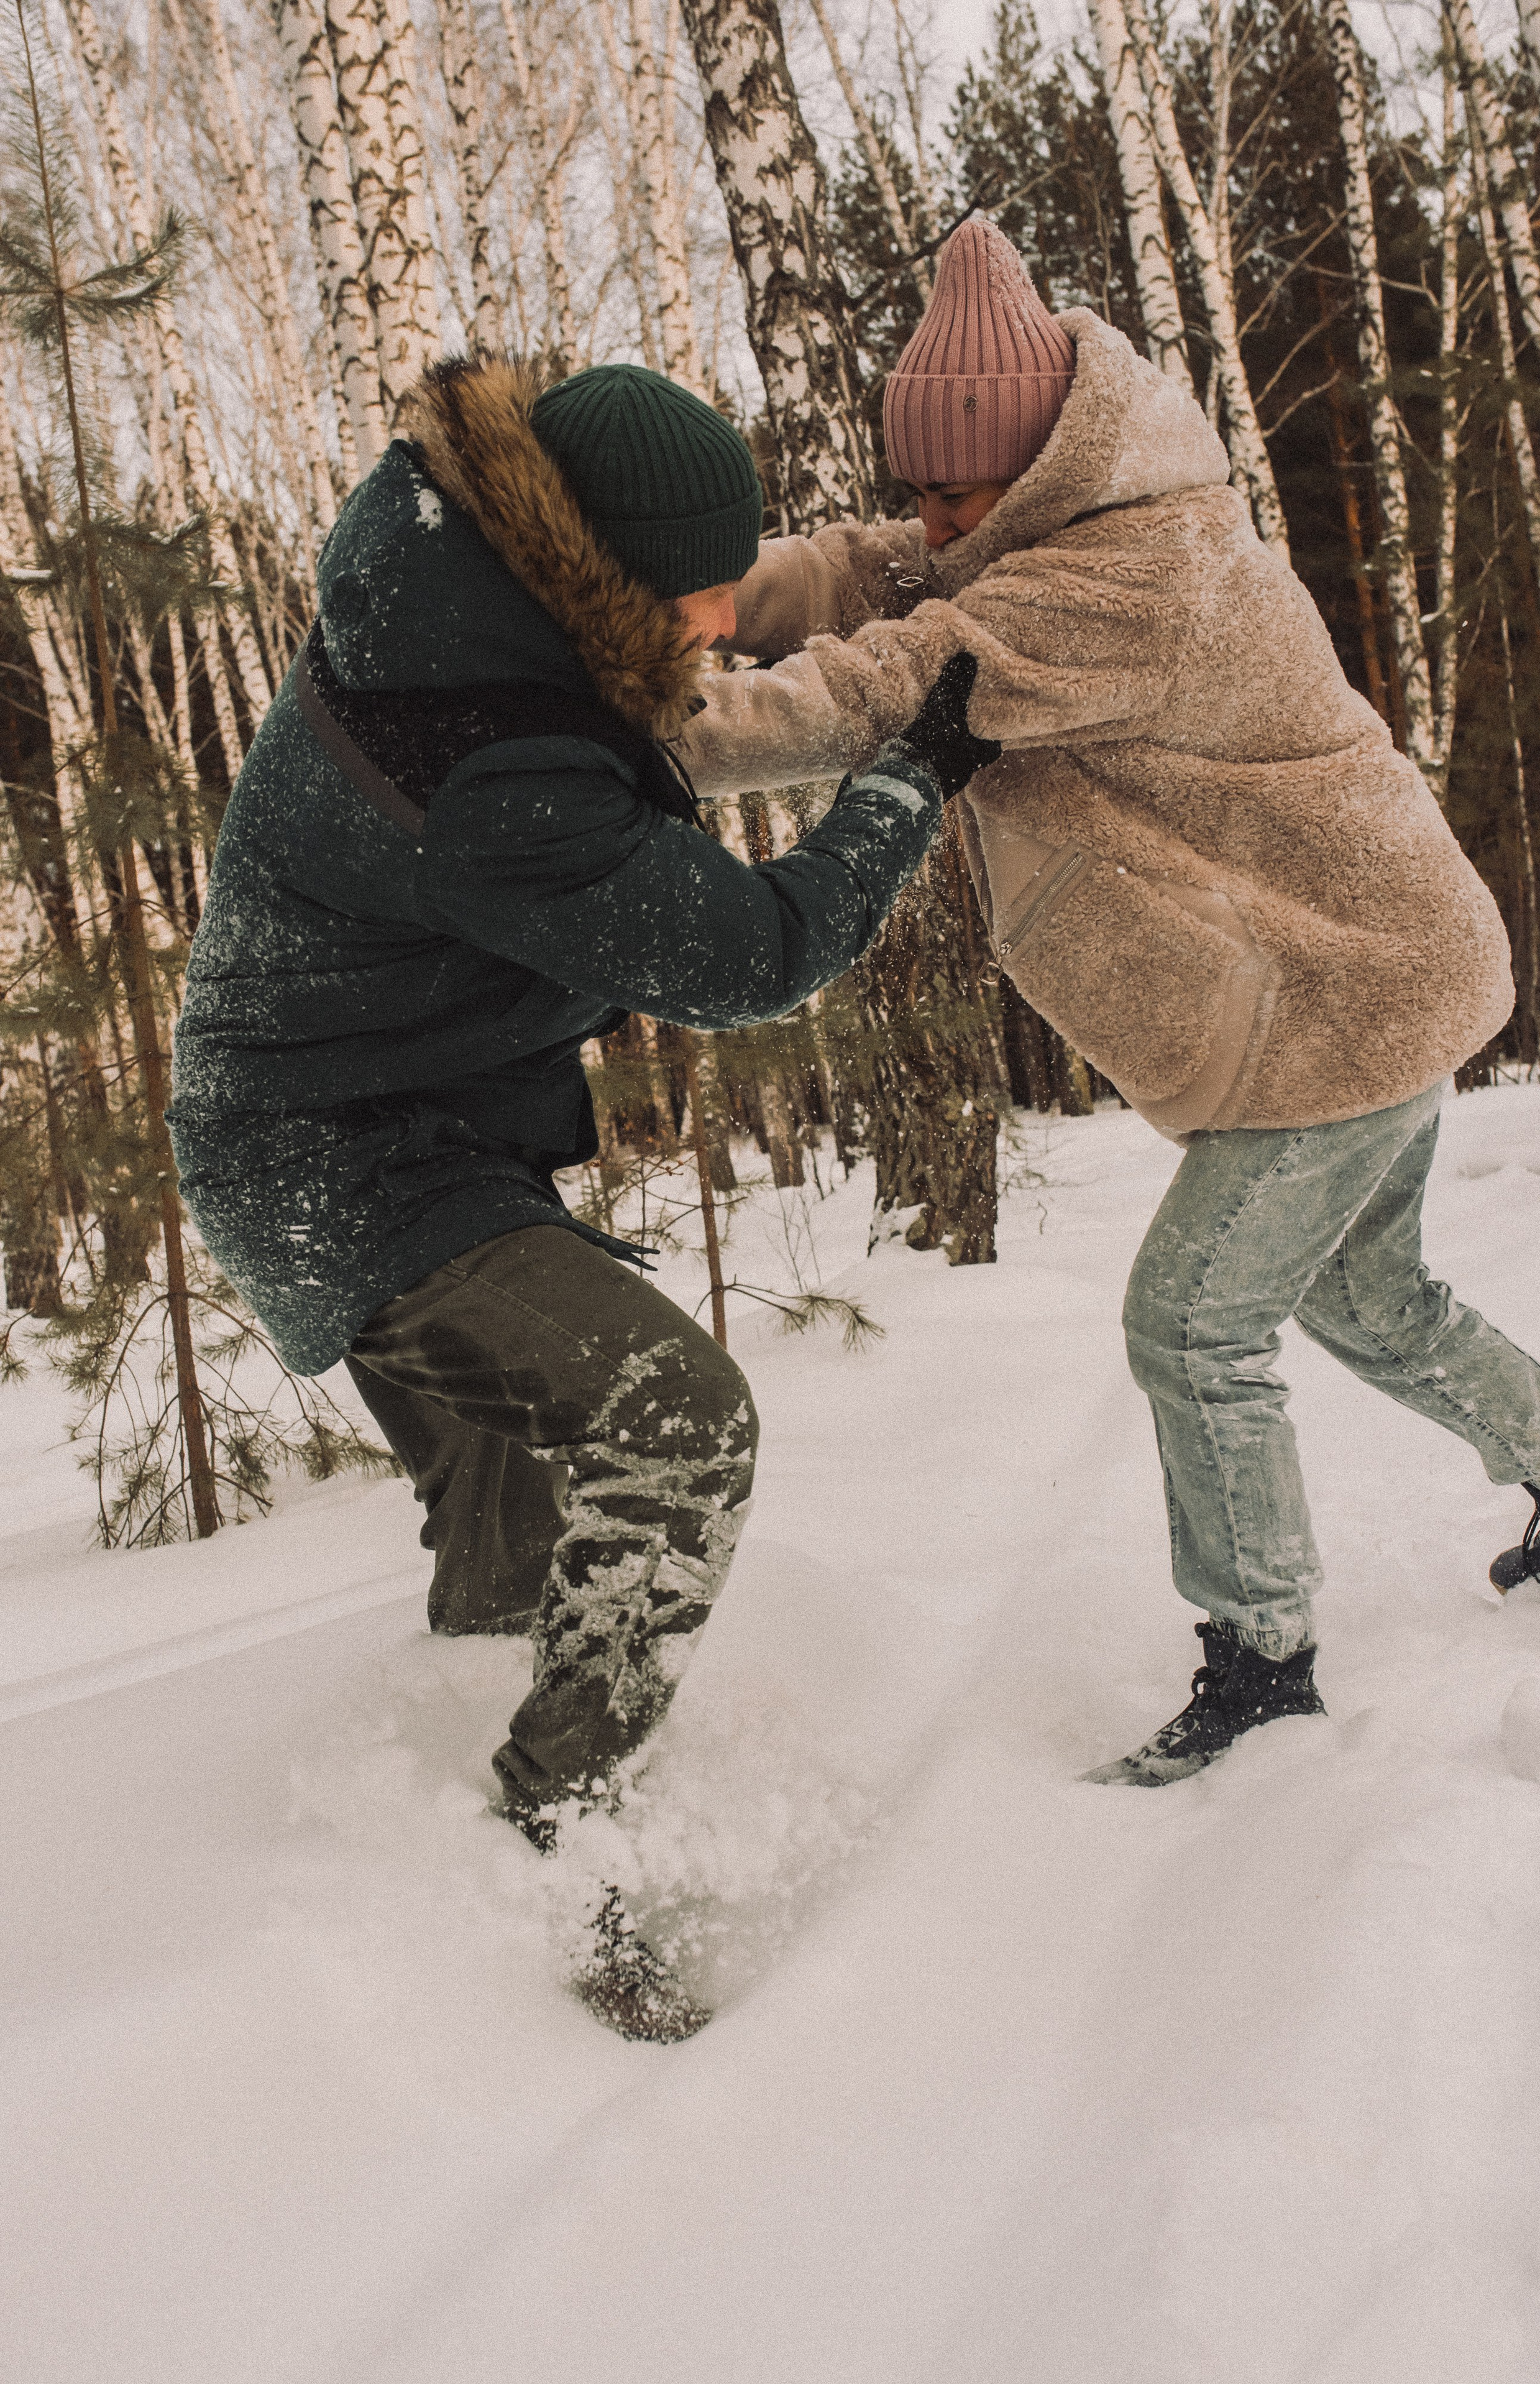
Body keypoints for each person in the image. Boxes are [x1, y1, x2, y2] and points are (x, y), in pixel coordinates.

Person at [679, 215, 1540, 1787]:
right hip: (1380, 965)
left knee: (1190, 1322)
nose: (930, 522)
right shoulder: (1050, 516)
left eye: (956, 493)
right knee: (1369, 1301)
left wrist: (638, 727)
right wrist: (716, 597)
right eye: (922, 491)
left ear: (1037, 461)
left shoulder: (1133, 575)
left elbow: (884, 684)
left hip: (1344, 996)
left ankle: (1260, 1666)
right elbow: (871, 569)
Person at [168, 356, 997, 2035]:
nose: (726, 618)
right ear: (597, 571)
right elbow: (751, 953)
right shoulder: (491, 752)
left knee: (509, 1554)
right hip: (336, 1156)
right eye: (700, 589)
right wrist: (905, 787)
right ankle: (552, 1825)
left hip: (386, 1118)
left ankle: (466, 1893)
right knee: (673, 1418)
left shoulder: (458, 591)